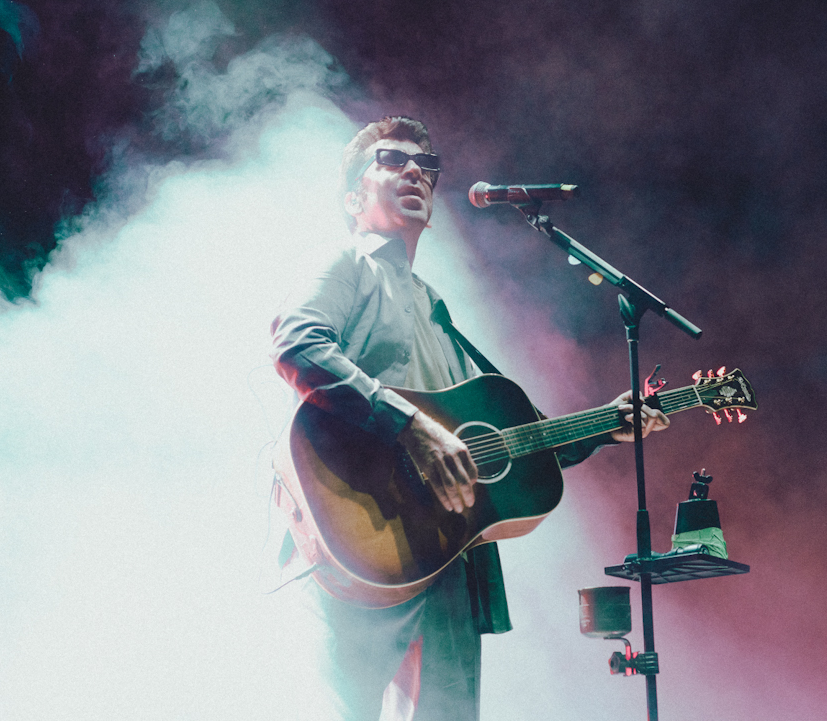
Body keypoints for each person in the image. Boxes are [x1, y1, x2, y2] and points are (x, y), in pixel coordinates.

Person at [268, 115, 669, 721]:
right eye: (391, 160)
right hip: (362, 533)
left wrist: (608, 425)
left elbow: (513, 445)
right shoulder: (349, 264)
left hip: (447, 556)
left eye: (425, 167)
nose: (413, 172)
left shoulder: (438, 312)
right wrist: (412, 426)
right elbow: (297, 343)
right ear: (353, 198)